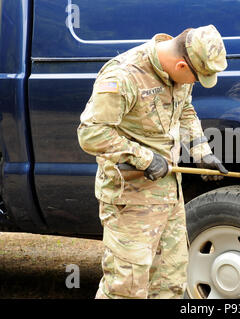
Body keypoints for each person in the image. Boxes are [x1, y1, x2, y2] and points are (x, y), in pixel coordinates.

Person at [77, 25, 228, 299]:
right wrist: (145, 159)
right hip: (130, 201)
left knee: (169, 283)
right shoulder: (123, 76)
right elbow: (91, 134)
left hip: (170, 196)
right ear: (182, 64)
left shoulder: (179, 76)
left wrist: (201, 152)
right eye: (195, 78)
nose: (193, 84)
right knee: (126, 289)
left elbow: (186, 111)